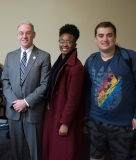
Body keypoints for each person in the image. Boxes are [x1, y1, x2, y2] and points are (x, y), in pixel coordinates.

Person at [84, 22, 136, 160]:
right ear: (95, 39)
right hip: (95, 121)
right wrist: (86, 114)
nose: (105, 39)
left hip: (123, 124)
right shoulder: (91, 60)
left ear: (114, 37)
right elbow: (86, 88)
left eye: (109, 35)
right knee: (95, 156)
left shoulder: (130, 57)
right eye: (101, 35)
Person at [1, 21, 51, 160]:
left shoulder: (44, 56)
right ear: (17, 36)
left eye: (28, 33)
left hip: (33, 111)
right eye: (21, 33)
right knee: (15, 150)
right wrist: (14, 102)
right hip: (14, 110)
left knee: (36, 150)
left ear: (34, 35)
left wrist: (26, 102)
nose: (24, 36)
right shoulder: (10, 56)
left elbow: (45, 84)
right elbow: (5, 81)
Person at [42, 24, 85, 160]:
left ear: (75, 43)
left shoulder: (76, 67)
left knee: (63, 153)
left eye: (69, 41)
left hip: (64, 118)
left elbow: (74, 98)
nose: (64, 44)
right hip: (54, 113)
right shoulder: (60, 61)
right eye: (62, 41)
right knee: (53, 151)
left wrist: (65, 122)